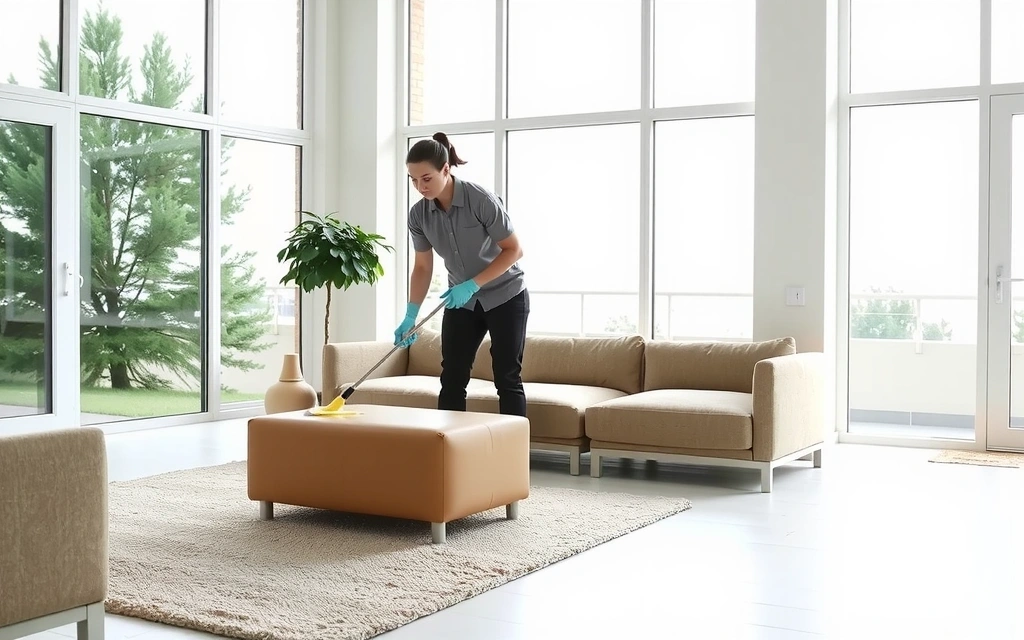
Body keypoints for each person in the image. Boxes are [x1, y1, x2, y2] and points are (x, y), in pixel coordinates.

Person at [396, 132, 530, 417]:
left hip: (506, 296)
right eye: (413, 180)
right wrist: (411, 315)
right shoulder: (418, 215)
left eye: (426, 178)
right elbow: (422, 267)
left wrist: (473, 284)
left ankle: (514, 445)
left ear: (446, 169)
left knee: (507, 377)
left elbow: (514, 250)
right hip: (462, 303)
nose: (420, 187)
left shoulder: (480, 199)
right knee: (452, 377)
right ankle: (450, 443)